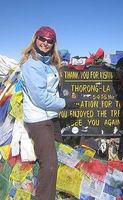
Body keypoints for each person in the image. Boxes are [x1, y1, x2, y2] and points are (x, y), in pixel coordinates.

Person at [19, 26, 78, 200]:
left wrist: (66, 97)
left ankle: (56, 190)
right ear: (35, 39)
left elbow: (53, 91)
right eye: (42, 39)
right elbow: (41, 99)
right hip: (38, 120)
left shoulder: (50, 64)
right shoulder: (32, 65)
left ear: (53, 44)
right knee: (50, 163)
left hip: (51, 117)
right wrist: (65, 103)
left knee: (59, 154)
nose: (45, 43)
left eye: (49, 40)